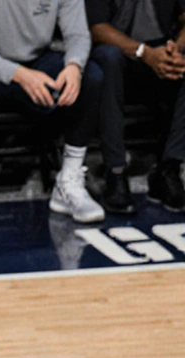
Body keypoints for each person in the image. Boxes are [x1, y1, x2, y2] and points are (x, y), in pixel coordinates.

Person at [0, 0, 107, 228]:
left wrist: (74, 66)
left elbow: (78, 34)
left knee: (91, 75)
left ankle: (68, 181)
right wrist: (19, 74)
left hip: (36, 61)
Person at [88, 0, 185, 213]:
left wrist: (177, 48)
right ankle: (115, 171)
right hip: (116, 54)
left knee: (182, 60)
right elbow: (96, 27)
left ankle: (169, 169)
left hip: (159, 50)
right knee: (109, 59)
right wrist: (144, 53)